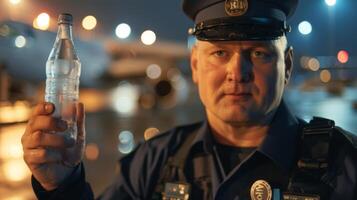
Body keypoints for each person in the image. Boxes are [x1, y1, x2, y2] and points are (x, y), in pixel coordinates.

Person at [22, 0, 357, 199]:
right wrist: (62, 186)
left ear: (287, 66)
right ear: (195, 66)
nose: (236, 72)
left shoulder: (346, 166)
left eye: (258, 53)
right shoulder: (152, 163)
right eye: (220, 53)